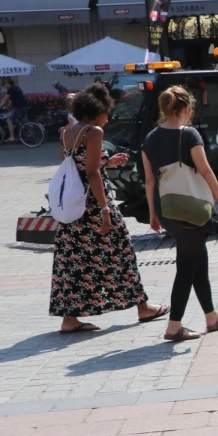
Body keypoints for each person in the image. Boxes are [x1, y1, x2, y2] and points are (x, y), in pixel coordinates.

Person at [49, 83, 168, 333]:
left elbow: (76, 168)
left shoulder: (66, 132)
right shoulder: (94, 132)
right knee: (122, 252)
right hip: (95, 205)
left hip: (75, 207)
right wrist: (105, 211)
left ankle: (69, 318)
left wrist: (106, 161)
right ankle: (143, 307)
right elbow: (91, 173)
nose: (108, 118)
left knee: (73, 260)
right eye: (107, 113)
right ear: (97, 111)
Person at [141, 87, 218, 341]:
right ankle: (174, 326)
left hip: (166, 206)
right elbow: (205, 170)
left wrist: (153, 213)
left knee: (197, 259)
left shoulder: (149, 139)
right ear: (185, 108)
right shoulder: (190, 135)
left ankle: (211, 316)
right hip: (189, 207)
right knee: (186, 266)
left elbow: (149, 180)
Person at [0, 78, 29, 144]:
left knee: (9, 120)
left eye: (4, 84)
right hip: (23, 107)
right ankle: (23, 129)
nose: (4, 85)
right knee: (12, 117)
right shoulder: (16, 88)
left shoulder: (11, 89)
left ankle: (12, 137)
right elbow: (11, 100)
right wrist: (6, 107)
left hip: (19, 108)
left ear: (8, 83)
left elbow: (5, 99)